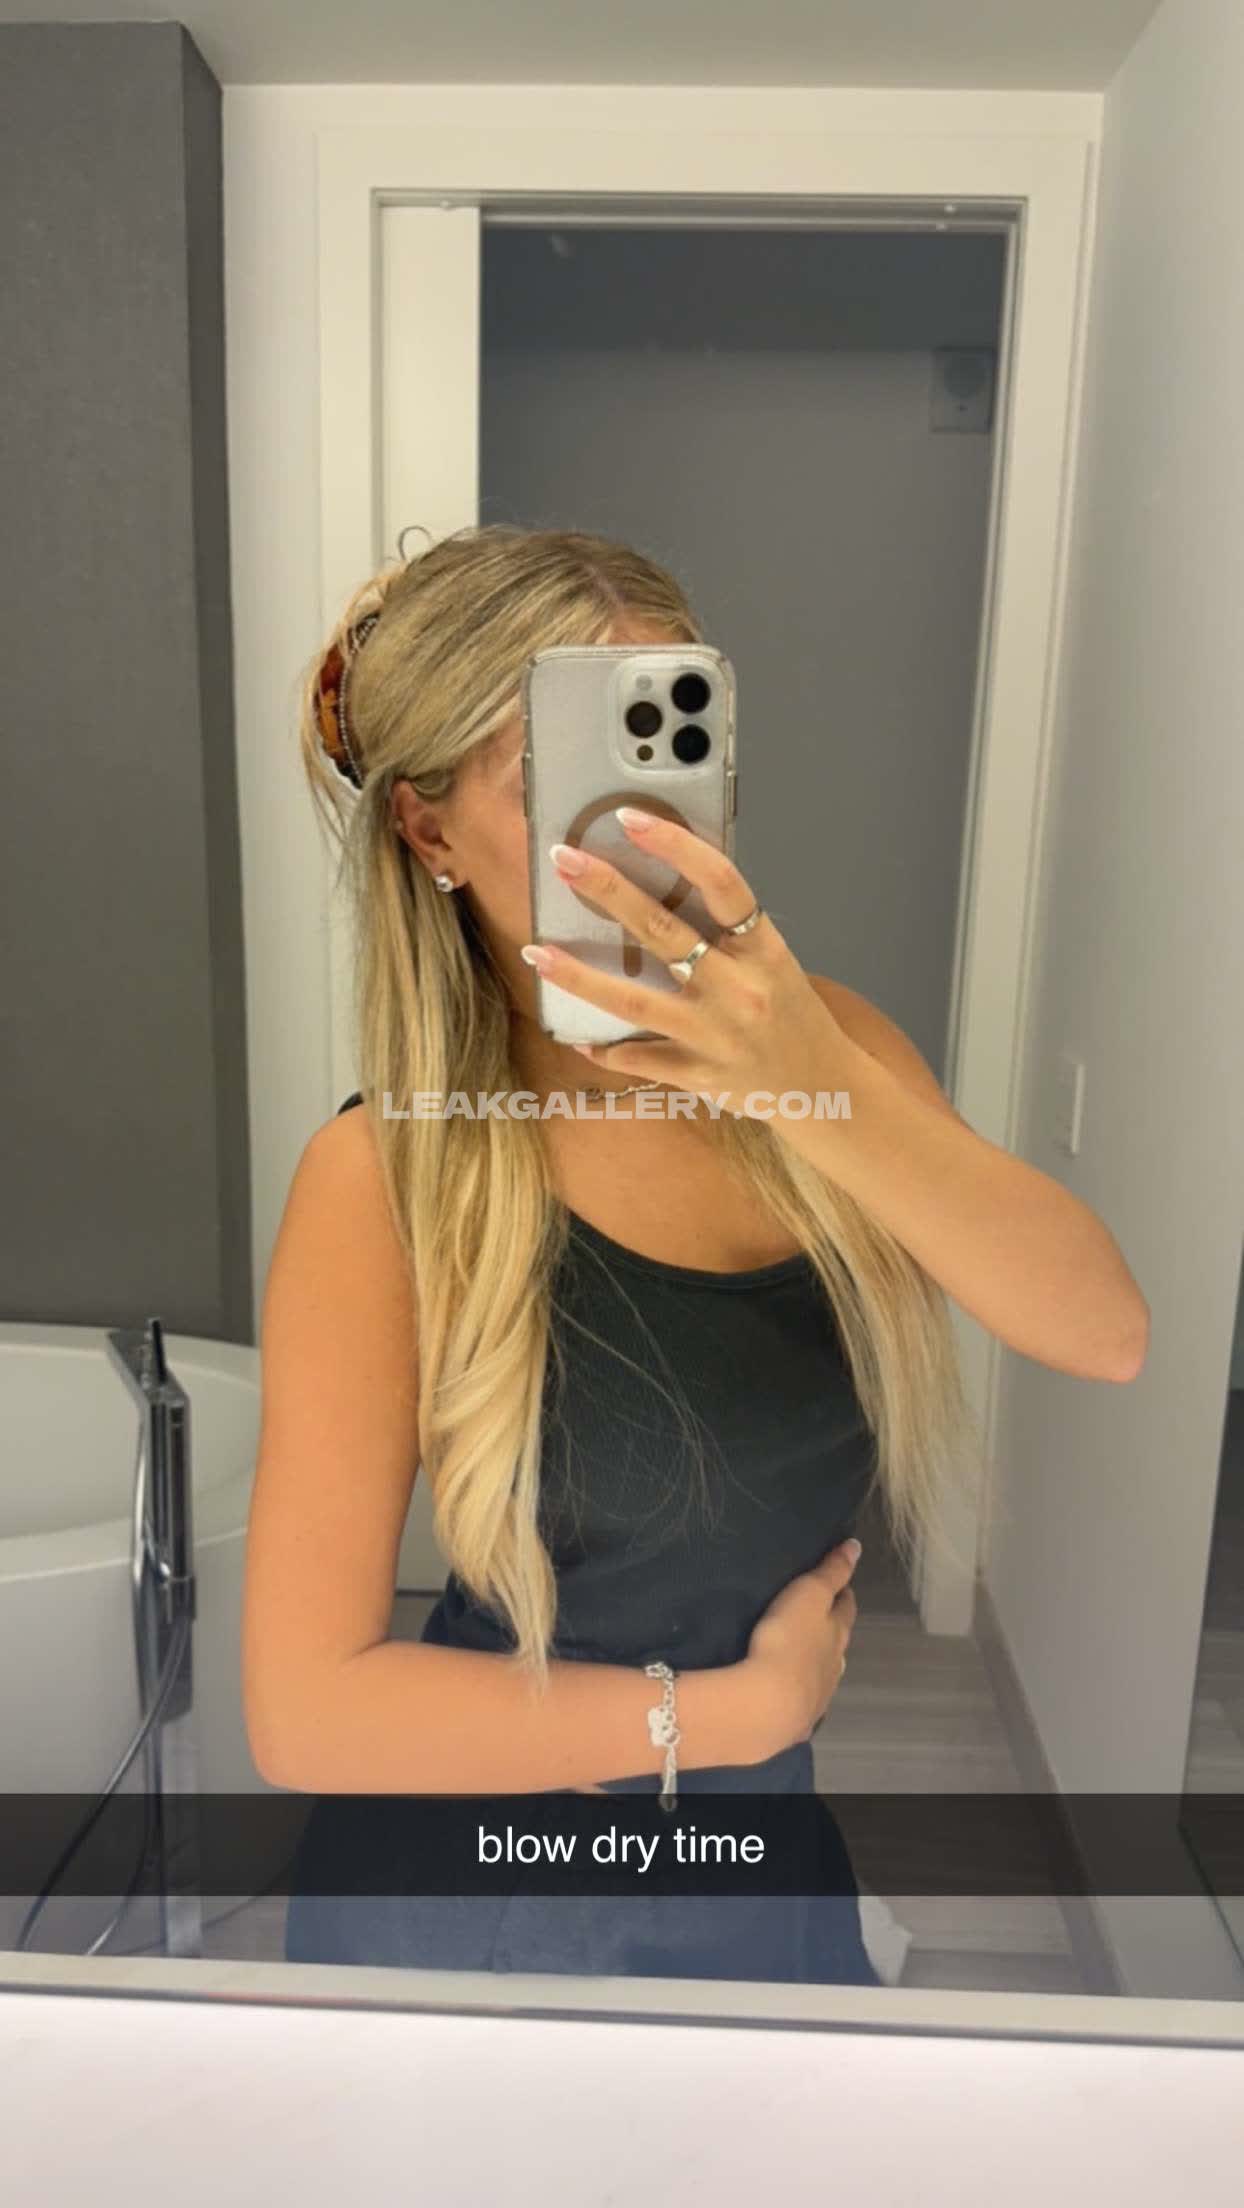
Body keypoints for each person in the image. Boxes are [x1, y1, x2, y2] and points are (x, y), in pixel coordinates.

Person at [241, 524, 1150, 1986]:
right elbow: (306, 1713)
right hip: (477, 1913)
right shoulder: (385, 1179)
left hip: (757, 1857)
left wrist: (811, 1078)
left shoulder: (836, 1061)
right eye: (553, 777)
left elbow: (1103, 1330)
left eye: (669, 752)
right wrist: (729, 1718)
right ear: (428, 833)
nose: (633, 835)